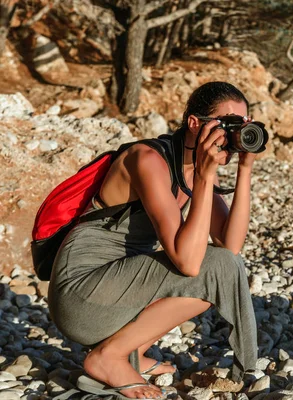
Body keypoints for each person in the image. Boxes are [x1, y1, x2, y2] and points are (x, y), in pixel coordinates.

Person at [48, 82, 259, 399]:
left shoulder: (192, 170)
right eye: (226, 123)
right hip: (80, 294)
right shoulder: (148, 160)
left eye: (239, 126)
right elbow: (188, 262)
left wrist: (245, 168)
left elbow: (231, 246)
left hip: (117, 293)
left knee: (219, 269)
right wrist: (204, 176)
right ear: (194, 123)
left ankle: (128, 350)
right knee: (208, 267)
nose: (231, 134)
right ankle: (109, 357)